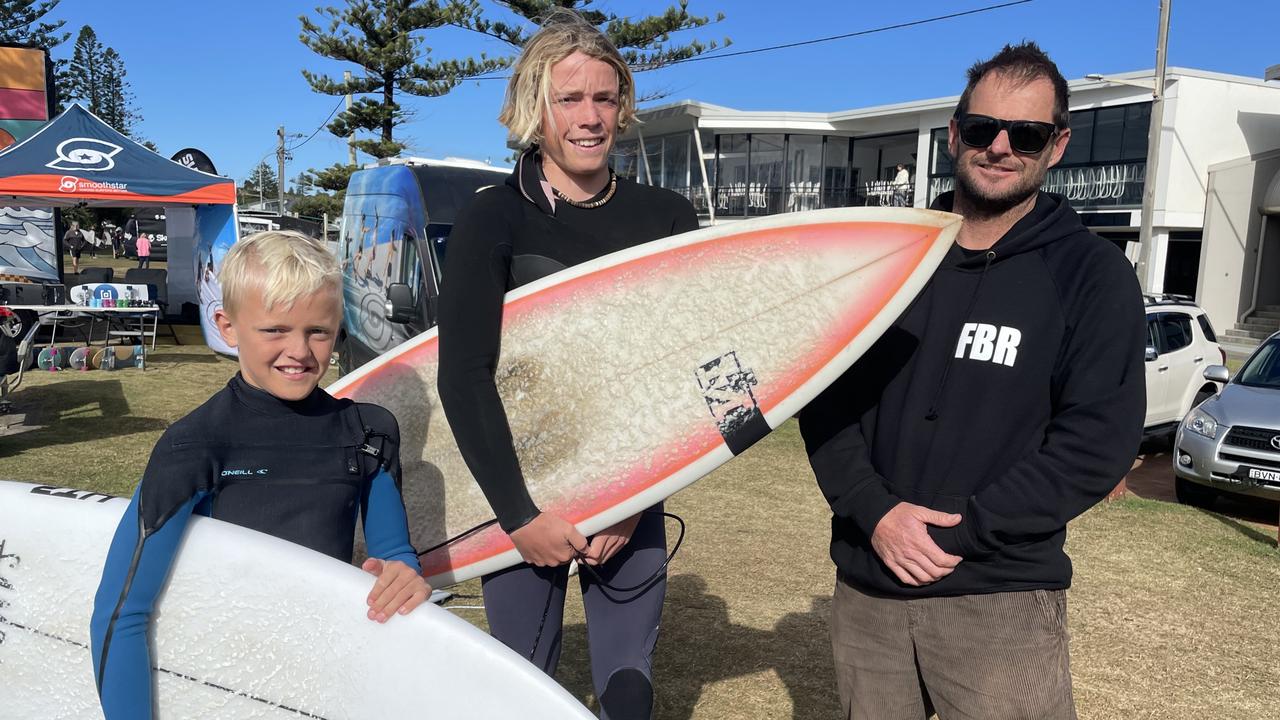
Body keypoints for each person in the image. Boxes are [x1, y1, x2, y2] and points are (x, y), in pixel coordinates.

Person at [799, 41, 1145, 720]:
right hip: (870, 587)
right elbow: (824, 404)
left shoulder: (1091, 275)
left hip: (999, 599)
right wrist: (875, 513)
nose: (1001, 147)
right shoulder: (884, 259)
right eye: (984, 129)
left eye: (1028, 134)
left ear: (1059, 144)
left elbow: (1095, 446)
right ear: (956, 134)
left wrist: (956, 533)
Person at [436, 10, 697, 720]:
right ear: (535, 107)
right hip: (521, 498)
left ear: (623, 106)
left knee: (629, 691)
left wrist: (634, 501)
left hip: (634, 494)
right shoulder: (495, 217)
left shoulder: (667, 217)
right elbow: (463, 373)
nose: (590, 117)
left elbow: (686, 373)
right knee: (521, 693)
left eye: (604, 98)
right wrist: (520, 517)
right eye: (569, 98)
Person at [90, 231, 430, 719]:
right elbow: (122, 612)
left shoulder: (367, 433)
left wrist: (404, 576)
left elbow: (394, 556)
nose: (300, 351)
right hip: (220, 683)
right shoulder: (195, 444)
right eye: (274, 330)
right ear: (227, 326)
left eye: (319, 330)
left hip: (324, 678)